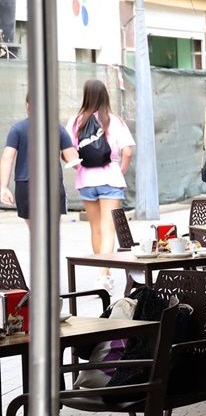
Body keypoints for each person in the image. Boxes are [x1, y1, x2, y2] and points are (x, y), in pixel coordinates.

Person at [71, 80, 135, 292]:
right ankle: (103, 275)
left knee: (96, 228)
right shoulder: (114, 121)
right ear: (105, 96)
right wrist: (121, 170)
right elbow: (127, 151)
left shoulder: (76, 121)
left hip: (85, 180)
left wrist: (81, 169)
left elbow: (69, 153)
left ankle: (101, 271)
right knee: (109, 229)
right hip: (110, 178)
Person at [1, 93, 78, 226]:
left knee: (36, 234)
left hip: (25, 184)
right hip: (52, 183)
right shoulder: (57, 128)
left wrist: (3, 187)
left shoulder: (17, 129)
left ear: (27, 106)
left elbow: (7, 158)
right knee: (51, 233)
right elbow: (72, 158)